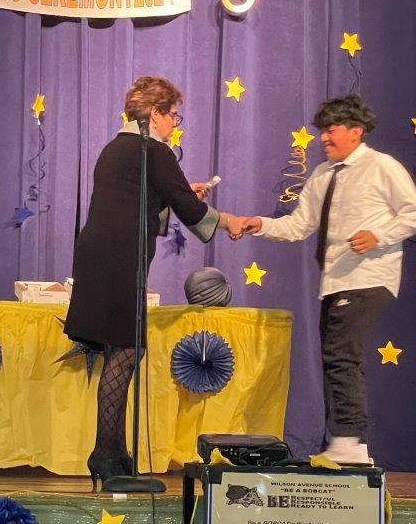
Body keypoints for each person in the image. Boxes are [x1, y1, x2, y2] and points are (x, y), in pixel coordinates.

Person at [64, 76, 244, 490]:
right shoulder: (153, 150)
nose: (174, 124)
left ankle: (114, 452)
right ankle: (105, 453)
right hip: (119, 257)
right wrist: (229, 220)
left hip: (98, 254)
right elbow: (188, 209)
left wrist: (175, 191)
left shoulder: (116, 147)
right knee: (127, 348)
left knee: (121, 348)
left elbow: (142, 197)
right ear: (155, 113)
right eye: (173, 116)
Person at [241, 94, 416, 463]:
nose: (323, 137)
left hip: (369, 278)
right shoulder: (322, 174)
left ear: (356, 131)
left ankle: (352, 440)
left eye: (332, 129)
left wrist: (379, 235)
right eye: (322, 130)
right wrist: (260, 224)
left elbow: (412, 212)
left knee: (341, 354)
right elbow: (299, 225)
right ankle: (344, 439)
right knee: (335, 355)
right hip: (335, 281)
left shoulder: (382, 167)